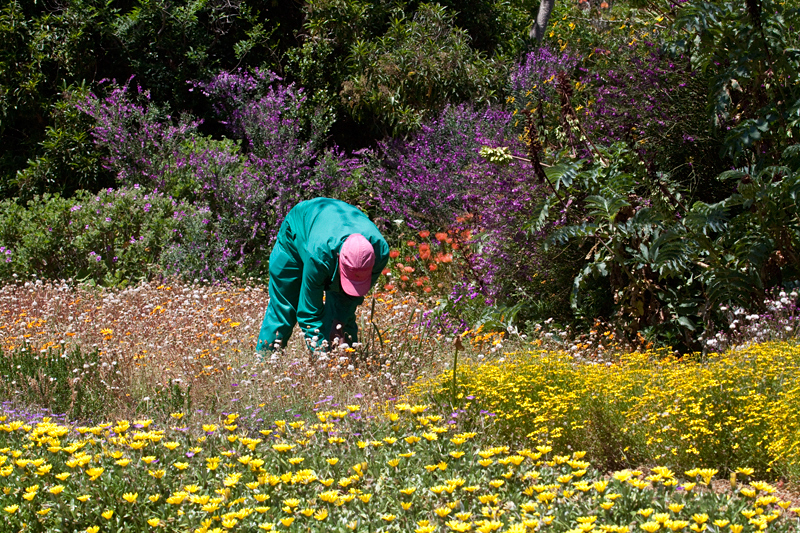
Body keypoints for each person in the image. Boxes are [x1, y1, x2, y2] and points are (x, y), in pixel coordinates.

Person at [256, 197, 389, 351]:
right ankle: (266, 360)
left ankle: (348, 361)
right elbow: (309, 312)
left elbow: (349, 300)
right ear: (338, 259)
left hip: (330, 230)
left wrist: (339, 327)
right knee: (285, 307)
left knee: (342, 315)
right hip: (297, 232)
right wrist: (322, 356)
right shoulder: (319, 255)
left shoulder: (379, 252)